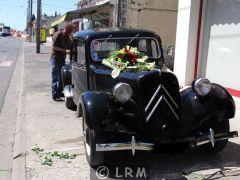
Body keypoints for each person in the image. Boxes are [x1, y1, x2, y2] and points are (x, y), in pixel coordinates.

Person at [50, 24, 74, 101]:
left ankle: (59, 93)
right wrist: (65, 51)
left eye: (71, 31)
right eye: (69, 31)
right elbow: (54, 47)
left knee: (61, 77)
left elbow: (69, 46)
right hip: (56, 58)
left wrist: (71, 40)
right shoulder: (57, 35)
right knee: (55, 77)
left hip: (62, 58)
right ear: (66, 29)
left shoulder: (67, 36)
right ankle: (54, 95)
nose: (70, 32)